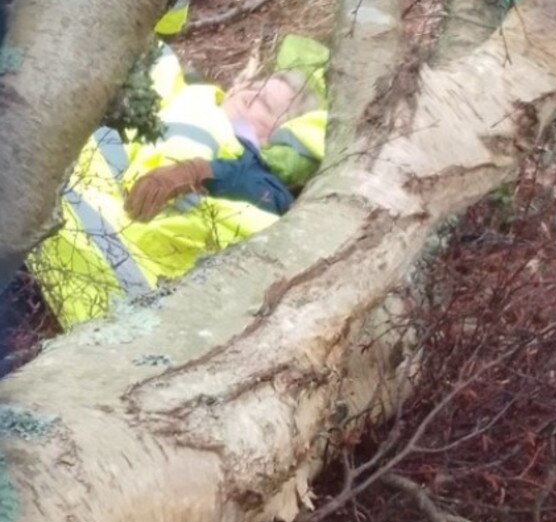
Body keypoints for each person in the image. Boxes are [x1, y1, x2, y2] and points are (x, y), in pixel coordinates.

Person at [26, 33, 329, 331]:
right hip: (50, 211)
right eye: (253, 85)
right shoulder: (184, 93)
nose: (249, 93)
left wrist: (204, 172)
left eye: (264, 104)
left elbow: (265, 213)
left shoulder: (253, 178)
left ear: (278, 139)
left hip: (101, 269)